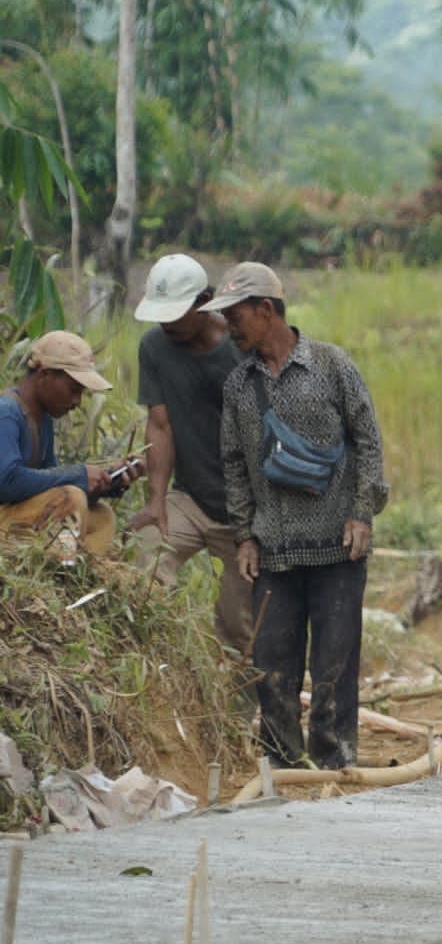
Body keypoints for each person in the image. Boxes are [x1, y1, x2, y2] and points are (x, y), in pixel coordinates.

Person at [213, 263, 388, 771]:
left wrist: (362, 513)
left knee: (334, 667)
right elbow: (233, 464)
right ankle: (283, 770)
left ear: (266, 310)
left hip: (338, 548)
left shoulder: (332, 366)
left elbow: (368, 441)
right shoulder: (238, 385)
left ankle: (335, 766)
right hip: (273, 553)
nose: (228, 327)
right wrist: (245, 536)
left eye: (235, 316)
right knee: (272, 668)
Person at [128, 253, 252, 654]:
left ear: (204, 302)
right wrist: (156, 501)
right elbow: (160, 425)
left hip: (244, 513)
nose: (166, 323)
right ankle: (161, 664)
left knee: (240, 626)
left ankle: (242, 694)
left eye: (175, 314)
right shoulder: (154, 348)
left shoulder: (242, 348)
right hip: (190, 499)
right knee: (143, 559)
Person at [0, 330, 141, 556]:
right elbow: (6, 482)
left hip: (17, 518)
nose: (77, 401)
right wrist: (78, 475)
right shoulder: (6, 412)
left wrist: (103, 485)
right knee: (70, 497)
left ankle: (75, 567)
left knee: (102, 516)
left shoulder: (43, 420)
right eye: (74, 390)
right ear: (44, 374)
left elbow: (47, 487)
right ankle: (63, 562)